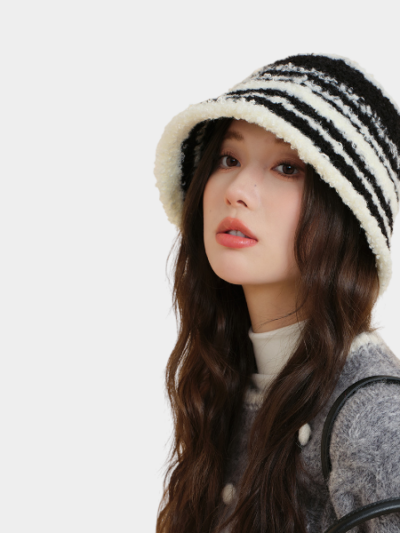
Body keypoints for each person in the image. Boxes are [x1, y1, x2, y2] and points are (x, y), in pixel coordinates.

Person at [153, 54, 400, 533]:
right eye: (229, 159)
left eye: (287, 167)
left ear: (346, 214)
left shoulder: (374, 416)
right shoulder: (224, 381)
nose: (238, 190)